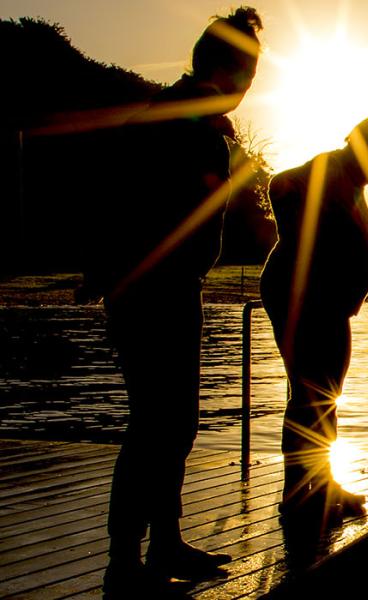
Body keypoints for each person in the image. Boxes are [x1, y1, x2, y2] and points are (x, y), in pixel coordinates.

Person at [80, 7, 264, 597]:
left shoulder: (190, 119)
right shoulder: (175, 120)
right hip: (152, 293)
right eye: (251, 73)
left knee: (174, 424)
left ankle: (162, 542)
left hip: (171, 289)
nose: (249, 87)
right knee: (156, 425)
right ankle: (124, 561)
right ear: (230, 69)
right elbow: (128, 202)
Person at [260, 115, 368, 526]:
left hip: (331, 305)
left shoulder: (351, 182)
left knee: (326, 396)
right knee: (309, 395)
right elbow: (280, 185)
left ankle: (324, 484)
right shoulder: (325, 171)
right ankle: (295, 495)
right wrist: (303, 240)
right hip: (303, 299)